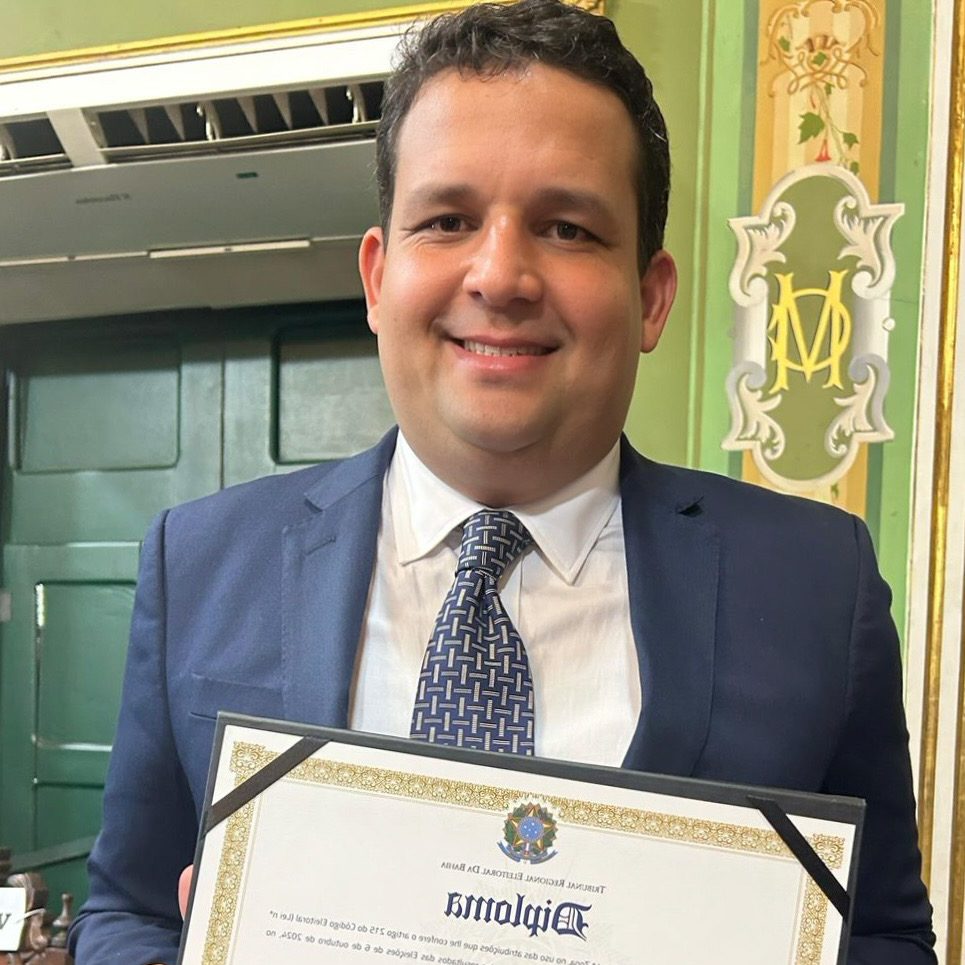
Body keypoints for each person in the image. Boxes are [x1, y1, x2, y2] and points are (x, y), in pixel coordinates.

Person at [67, 1, 936, 962]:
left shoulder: (816, 584)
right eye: (447, 220)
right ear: (377, 278)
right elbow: (130, 910)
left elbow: (885, 935)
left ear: (650, 296)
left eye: (567, 228)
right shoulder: (199, 560)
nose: (500, 274)